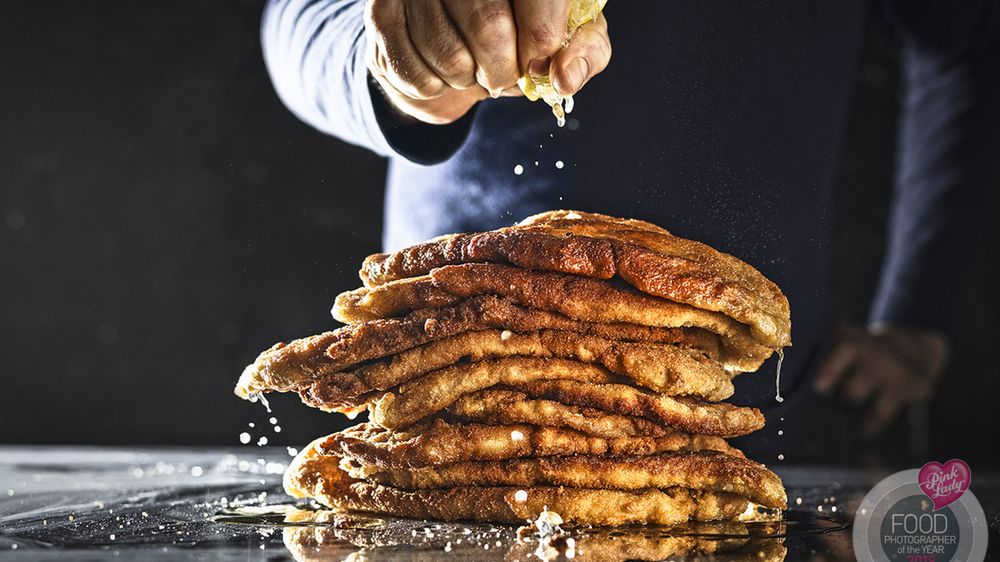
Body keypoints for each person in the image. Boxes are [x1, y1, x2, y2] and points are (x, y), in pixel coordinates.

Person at [260, 0, 1000, 462]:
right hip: (443, 388)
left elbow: (967, 41)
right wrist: (392, 64)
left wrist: (920, 307)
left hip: (754, 398)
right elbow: (293, 20)